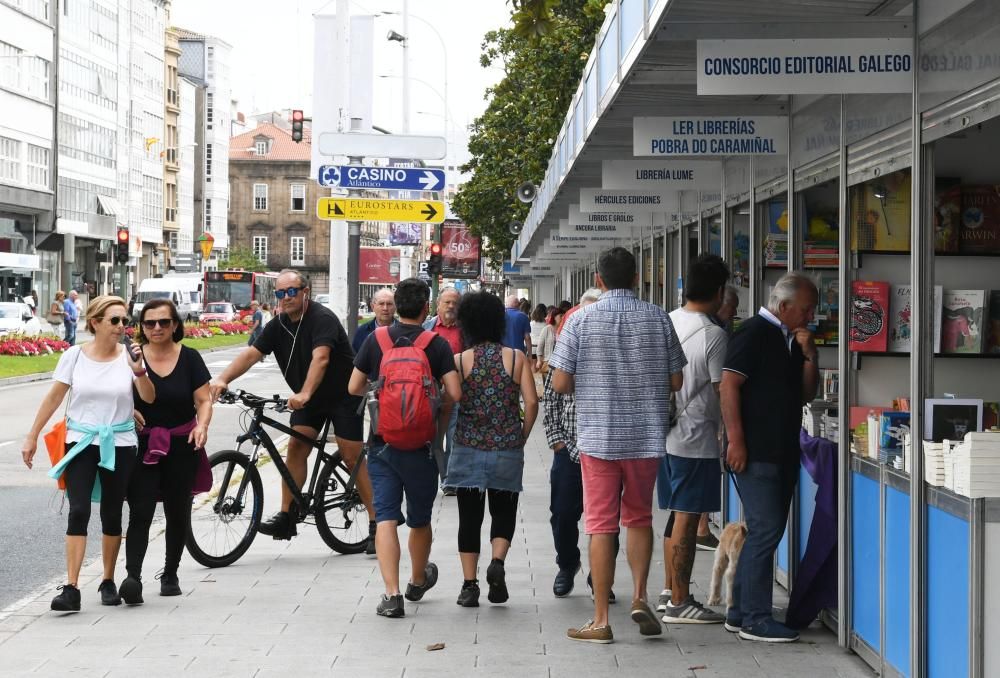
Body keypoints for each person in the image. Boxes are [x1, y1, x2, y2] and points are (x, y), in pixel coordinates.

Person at [549, 247, 686, 644]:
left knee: (600, 524)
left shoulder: (580, 320)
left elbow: (559, 383)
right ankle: (641, 596)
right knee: (639, 517)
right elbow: (676, 381)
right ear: (637, 277)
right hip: (645, 436)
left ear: (598, 279)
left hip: (598, 436)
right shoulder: (658, 317)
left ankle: (601, 618)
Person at [209, 270, 376, 550]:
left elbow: (321, 358)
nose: (285, 298)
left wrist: (305, 392)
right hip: (309, 398)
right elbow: (252, 353)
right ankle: (287, 515)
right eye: (279, 293)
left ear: (304, 292)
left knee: (351, 454)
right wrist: (223, 378)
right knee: (297, 447)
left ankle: (375, 521)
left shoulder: (322, 319)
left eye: (291, 292)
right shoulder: (279, 324)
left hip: (343, 395)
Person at [20, 296, 154, 612]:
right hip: (81, 441)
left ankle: (107, 580)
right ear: (94, 323)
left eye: (125, 321)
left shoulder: (130, 357)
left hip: (119, 443)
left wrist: (139, 372)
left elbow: (148, 396)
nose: (122, 327)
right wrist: (32, 435)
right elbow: (54, 398)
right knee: (78, 509)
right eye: (114, 321)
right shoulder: (74, 356)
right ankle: (72, 587)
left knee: (111, 510)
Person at [348, 278, 462, 618]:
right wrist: (430, 403)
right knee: (419, 519)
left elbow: (354, 387)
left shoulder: (376, 340)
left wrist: (382, 390)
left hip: (383, 443)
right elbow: (454, 393)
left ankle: (392, 594)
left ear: (396, 307)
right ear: (427, 308)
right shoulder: (436, 344)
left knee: (385, 517)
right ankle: (416, 580)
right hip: (423, 445)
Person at [720, 272, 819, 643]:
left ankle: (740, 610)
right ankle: (756, 619)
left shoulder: (790, 340)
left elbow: (806, 394)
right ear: (783, 306)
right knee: (766, 529)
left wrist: (809, 355)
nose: (811, 316)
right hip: (756, 451)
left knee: (764, 531)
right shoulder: (754, 332)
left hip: (782, 450)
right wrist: (736, 441)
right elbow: (729, 386)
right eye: (806, 309)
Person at [449, 292, 538, 607]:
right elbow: (531, 402)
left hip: (468, 448)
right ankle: (497, 563)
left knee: (468, 517)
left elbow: (451, 402)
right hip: (507, 447)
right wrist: (521, 436)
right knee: (504, 511)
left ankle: (469, 585)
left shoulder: (460, 360)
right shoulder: (516, 358)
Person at [121, 299, 212, 604]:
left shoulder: (190, 358)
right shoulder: (131, 358)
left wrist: (202, 426)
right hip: (142, 444)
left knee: (177, 510)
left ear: (175, 324)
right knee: (141, 510)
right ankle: (132, 577)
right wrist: (128, 409)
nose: (156, 328)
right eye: (149, 323)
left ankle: (170, 573)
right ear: (141, 328)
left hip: (181, 443)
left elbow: (203, 399)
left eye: (163, 322)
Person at [659, 254, 731, 626]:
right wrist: (735, 436)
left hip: (665, 435)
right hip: (696, 438)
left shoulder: (667, 320)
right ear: (719, 292)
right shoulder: (713, 335)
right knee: (687, 520)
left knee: (675, 518)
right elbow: (724, 391)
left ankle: (670, 591)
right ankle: (681, 602)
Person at [543, 288, 610, 599]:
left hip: (607, 448)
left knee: (608, 519)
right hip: (569, 448)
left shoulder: (612, 353)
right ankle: (567, 564)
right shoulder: (566, 349)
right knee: (563, 514)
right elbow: (551, 399)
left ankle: (601, 577)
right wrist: (556, 440)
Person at [423, 287, 463, 492]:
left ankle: (449, 479)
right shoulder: (427, 328)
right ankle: (436, 475)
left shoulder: (465, 331)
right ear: (437, 305)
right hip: (430, 393)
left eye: (454, 303)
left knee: (454, 436)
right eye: (447, 302)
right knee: (433, 438)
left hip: (455, 393)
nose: (451, 306)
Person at [352, 288, 396, 353]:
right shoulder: (361, 332)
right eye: (381, 304)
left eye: (389, 304)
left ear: (395, 307)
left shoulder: (403, 332)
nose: (385, 308)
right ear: (372, 306)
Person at [534, 306, 564, 374]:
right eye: (560, 316)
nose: (562, 318)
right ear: (554, 317)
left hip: (560, 364)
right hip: (548, 362)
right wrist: (539, 361)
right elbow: (540, 347)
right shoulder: (546, 329)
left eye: (564, 316)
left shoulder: (564, 329)